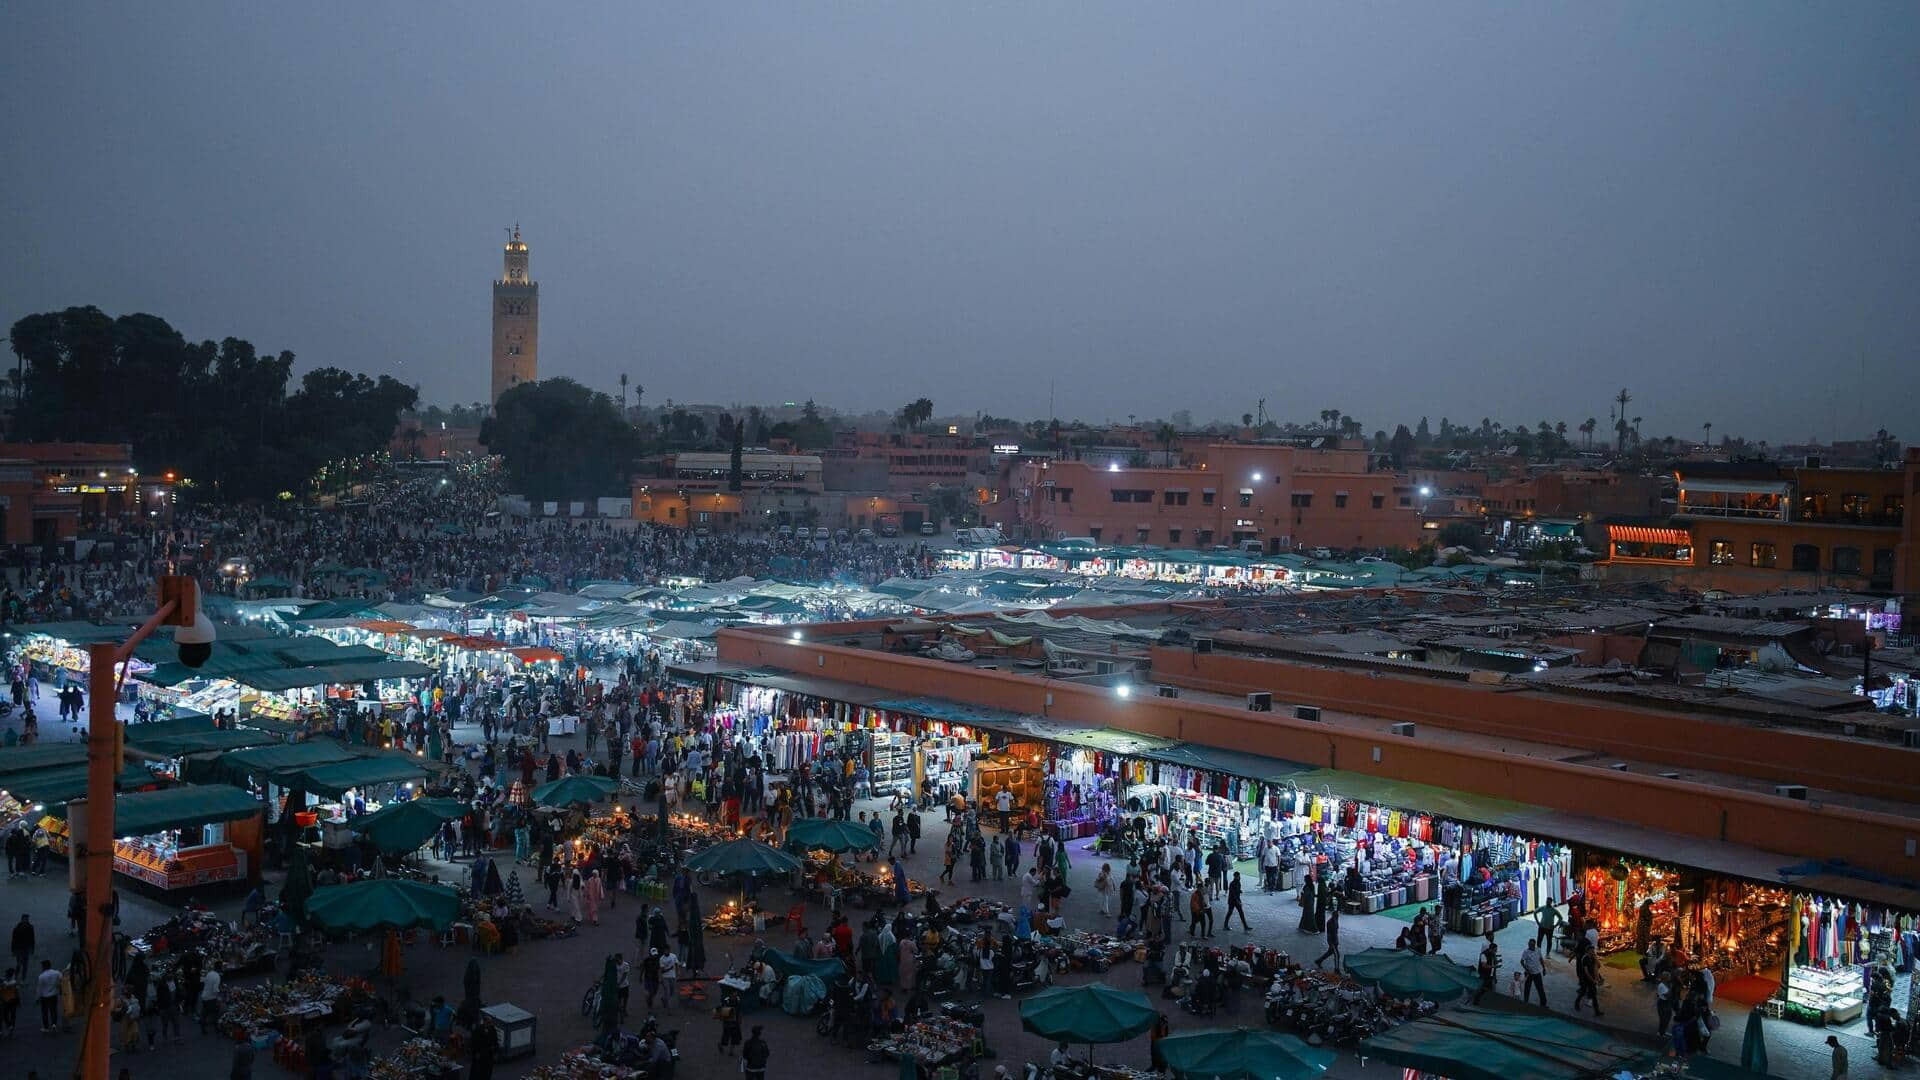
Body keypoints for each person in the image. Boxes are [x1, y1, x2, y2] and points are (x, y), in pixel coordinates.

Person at [1573, 942, 1603, 1016]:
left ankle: (1597, 1011)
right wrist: (1592, 980)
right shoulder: (1585, 958)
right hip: (1585, 979)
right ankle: (1577, 1004)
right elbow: (1586, 972)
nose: (1593, 952)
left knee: (1594, 995)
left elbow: (1599, 966)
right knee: (1582, 992)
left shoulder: (1593, 958)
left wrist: (1595, 958)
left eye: (1593, 950)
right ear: (1588, 951)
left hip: (1591, 979)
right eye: (1591, 950)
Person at [715, 989, 743, 1055]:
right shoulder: (726, 1000)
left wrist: (739, 1018)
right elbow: (723, 1009)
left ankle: (731, 1051)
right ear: (731, 993)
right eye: (734, 993)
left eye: (736, 993)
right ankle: (721, 1045)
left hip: (735, 1021)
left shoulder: (738, 999)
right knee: (726, 1035)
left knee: (735, 1036)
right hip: (728, 1020)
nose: (735, 994)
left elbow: (739, 1009)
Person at [1518, 939, 1546, 1005]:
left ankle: (1543, 1003)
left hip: (1537, 973)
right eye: (1529, 944)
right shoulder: (1526, 952)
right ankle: (1526, 1001)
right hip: (1529, 973)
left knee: (1540, 989)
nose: (1530, 946)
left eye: (1532, 945)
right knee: (1527, 988)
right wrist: (1526, 969)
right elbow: (1522, 961)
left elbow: (1541, 959)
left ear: (1534, 945)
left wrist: (1544, 968)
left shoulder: (1538, 950)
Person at [36, 960, 60, 1033]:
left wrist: (37, 998)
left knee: (45, 1012)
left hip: (44, 996)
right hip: (54, 995)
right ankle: (54, 1024)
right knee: (54, 1010)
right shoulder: (56, 973)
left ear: (43, 967)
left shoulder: (41, 976)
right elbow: (61, 978)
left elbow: (39, 988)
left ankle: (46, 1027)